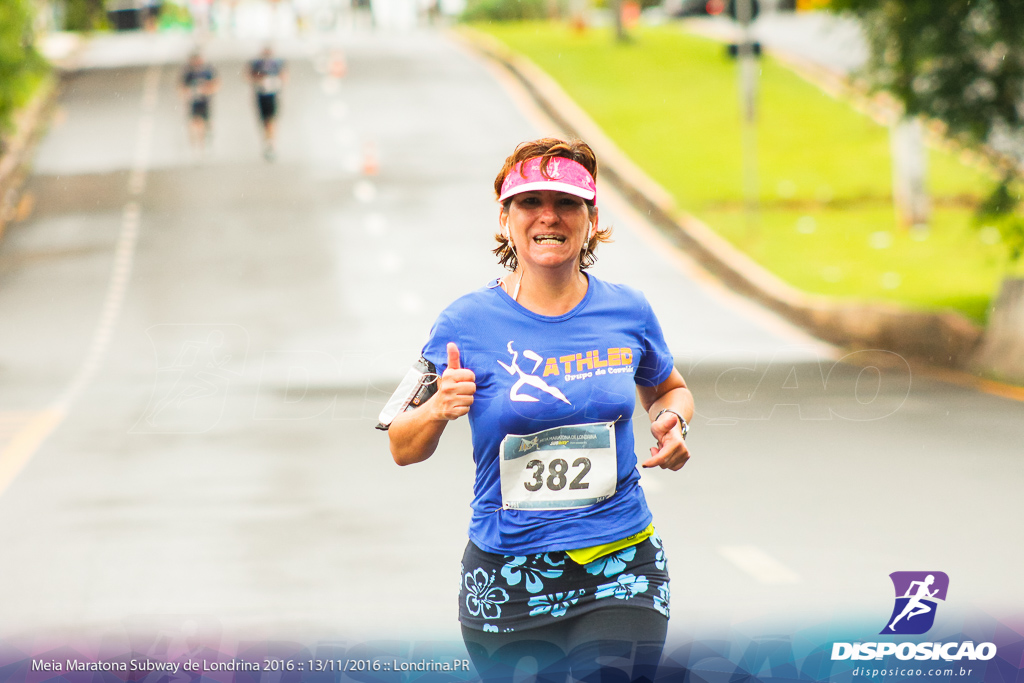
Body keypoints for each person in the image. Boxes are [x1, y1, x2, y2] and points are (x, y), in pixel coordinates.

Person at [385, 138, 694, 682]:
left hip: (621, 566)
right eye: (530, 202)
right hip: (507, 576)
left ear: (592, 218)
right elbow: (400, 445)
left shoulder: (629, 310)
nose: (548, 216)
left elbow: (670, 388)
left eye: (566, 202)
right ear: (505, 219)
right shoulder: (462, 323)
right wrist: (437, 410)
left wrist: (673, 421)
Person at [248, 46, 287, 161]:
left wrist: (276, 82)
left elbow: (284, 76)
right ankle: (267, 141)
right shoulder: (256, 63)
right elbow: (249, 76)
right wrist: (260, 80)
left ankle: (271, 144)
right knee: (264, 121)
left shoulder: (278, 63)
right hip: (261, 94)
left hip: (272, 94)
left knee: (271, 119)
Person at [180, 51, 219, 156]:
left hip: (205, 101)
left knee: (205, 123)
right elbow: (182, 87)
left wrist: (207, 90)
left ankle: (206, 141)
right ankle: (198, 148)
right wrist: (187, 94)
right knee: (195, 124)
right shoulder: (188, 72)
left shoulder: (208, 70)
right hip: (193, 102)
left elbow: (216, 84)